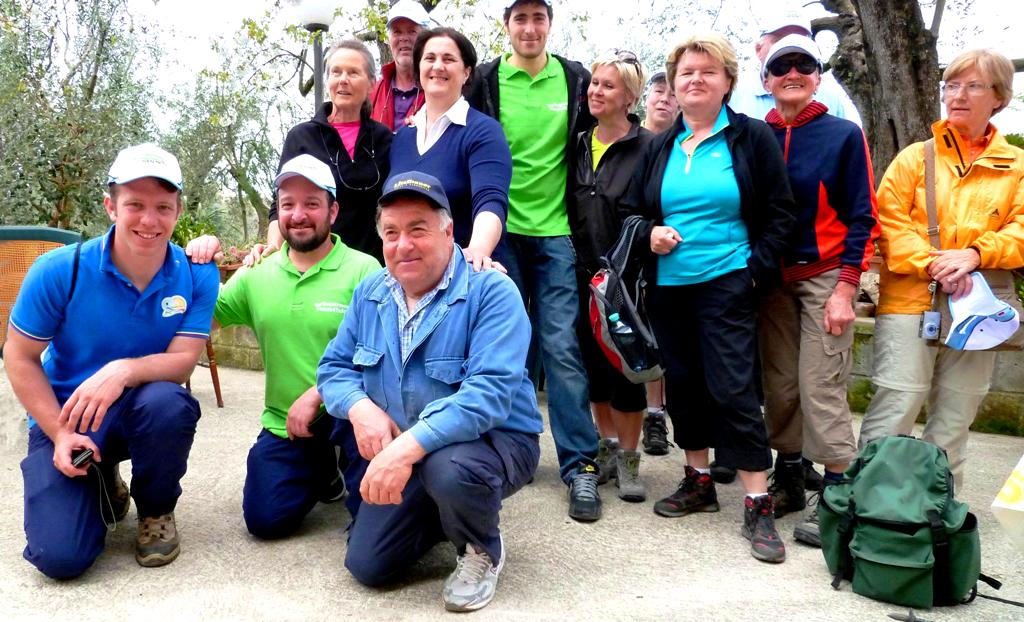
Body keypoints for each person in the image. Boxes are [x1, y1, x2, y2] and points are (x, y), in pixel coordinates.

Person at [317, 171, 542, 612]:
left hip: (494, 444)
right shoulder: (371, 292)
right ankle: (450, 512)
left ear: (448, 231)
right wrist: (361, 408)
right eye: (392, 233)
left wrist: (401, 452)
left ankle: (481, 548)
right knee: (368, 565)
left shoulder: (492, 291)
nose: (404, 245)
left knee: (451, 468)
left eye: (418, 229)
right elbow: (333, 368)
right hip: (413, 446)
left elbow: (490, 395)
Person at [621, 33, 797, 563]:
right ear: (673, 84)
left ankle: (757, 501)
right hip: (668, 287)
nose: (695, 79)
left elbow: (780, 214)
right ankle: (697, 480)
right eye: (685, 72)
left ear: (728, 81)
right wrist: (650, 232)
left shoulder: (751, 139)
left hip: (727, 281)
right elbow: (633, 210)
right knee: (684, 386)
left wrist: (750, 271)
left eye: (707, 71)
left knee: (733, 387)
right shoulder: (660, 146)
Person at [5, 143, 219, 578]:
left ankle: (156, 510)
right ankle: (103, 482)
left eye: (163, 206)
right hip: (70, 419)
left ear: (178, 210)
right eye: (134, 204)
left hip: (142, 412)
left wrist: (122, 371)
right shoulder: (58, 271)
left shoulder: (197, 273)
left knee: (168, 403)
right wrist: (60, 433)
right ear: (110, 206)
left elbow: (181, 363)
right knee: (60, 558)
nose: (149, 219)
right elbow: (19, 356)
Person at [186, 155, 380, 539]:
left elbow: (380, 356)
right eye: (288, 204)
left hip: (354, 414)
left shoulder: (365, 270)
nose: (299, 214)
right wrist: (197, 261)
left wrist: (320, 393)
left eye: (311, 203)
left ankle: (341, 465)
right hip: (286, 419)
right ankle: (322, 470)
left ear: (333, 210)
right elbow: (202, 319)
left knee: (374, 525)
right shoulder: (257, 274)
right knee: (265, 521)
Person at [858, 49, 1024, 491]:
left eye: (973, 86)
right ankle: (865, 507)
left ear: (1000, 98)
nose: (958, 95)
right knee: (896, 403)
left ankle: (936, 514)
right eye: (951, 85)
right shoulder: (915, 159)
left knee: (955, 415)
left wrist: (975, 254)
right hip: (911, 303)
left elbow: (1022, 227)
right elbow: (889, 223)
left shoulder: (1017, 167)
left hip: (980, 309)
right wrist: (938, 264)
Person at [468, 0, 605, 522]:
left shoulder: (574, 79)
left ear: (549, 24)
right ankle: (503, 450)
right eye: (519, 19)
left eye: (538, 18)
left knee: (562, 350)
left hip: (556, 235)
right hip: (498, 236)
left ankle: (581, 467)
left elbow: (608, 128)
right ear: (507, 26)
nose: (529, 28)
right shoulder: (483, 80)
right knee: (503, 348)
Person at [756, 35, 879, 547]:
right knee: (779, 387)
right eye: (779, 66)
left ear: (817, 75)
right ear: (765, 81)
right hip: (770, 280)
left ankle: (838, 495)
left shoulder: (842, 135)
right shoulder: (753, 135)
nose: (791, 73)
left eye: (802, 65)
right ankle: (789, 476)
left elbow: (863, 214)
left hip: (823, 275)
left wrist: (846, 288)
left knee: (820, 385)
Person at [570, 50, 653, 501]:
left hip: (626, 283)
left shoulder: (648, 146)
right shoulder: (578, 143)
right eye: (594, 83)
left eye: (607, 85)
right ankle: (605, 447)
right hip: (582, 274)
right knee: (592, 370)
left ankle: (630, 459)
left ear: (630, 96)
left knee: (626, 371)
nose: (596, 91)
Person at [255, 39, 391, 264]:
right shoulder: (302, 137)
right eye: (336, 72)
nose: (343, 80)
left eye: (353, 72)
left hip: (373, 268)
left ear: (371, 83)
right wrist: (273, 251)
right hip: (314, 266)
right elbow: (279, 202)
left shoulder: (385, 139)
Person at [390, 27, 512, 271]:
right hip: (409, 276)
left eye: (449, 59)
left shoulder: (483, 132)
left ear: (466, 72)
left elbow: (490, 200)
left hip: (463, 273)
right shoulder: (402, 138)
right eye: (430, 58)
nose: (438, 66)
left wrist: (478, 249)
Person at [729, 12, 861, 126]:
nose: (790, 44)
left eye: (800, 40)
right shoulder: (732, 94)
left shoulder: (831, 99)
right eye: (780, 40)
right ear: (759, 50)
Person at [638, 75, 675, 457]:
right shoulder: (634, 139)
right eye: (659, 92)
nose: (665, 99)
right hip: (627, 252)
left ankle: (657, 416)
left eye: (672, 94)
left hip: (668, 255)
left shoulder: (679, 145)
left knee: (659, 339)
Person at [371, 0, 430, 131]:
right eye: (397, 32)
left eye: (412, 31)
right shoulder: (373, 92)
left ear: (426, 38)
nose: (404, 38)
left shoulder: (439, 90)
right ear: (388, 39)